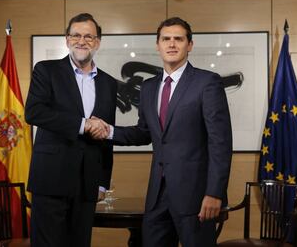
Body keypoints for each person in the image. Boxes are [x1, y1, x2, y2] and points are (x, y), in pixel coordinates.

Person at [92, 17, 232, 246]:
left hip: (196, 196)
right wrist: (108, 132)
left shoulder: (207, 82)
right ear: (157, 45)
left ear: (190, 45)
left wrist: (215, 192)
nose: (172, 44)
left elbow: (220, 143)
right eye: (166, 39)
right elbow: (143, 133)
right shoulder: (149, 88)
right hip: (157, 195)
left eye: (179, 38)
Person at [25, 13, 117, 247]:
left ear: (97, 42)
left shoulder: (108, 83)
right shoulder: (46, 70)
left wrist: (102, 182)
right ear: (67, 39)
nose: (81, 41)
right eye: (76, 35)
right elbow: (34, 112)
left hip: (87, 184)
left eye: (88, 36)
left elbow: (106, 137)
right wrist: (83, 124)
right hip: (50, 179)